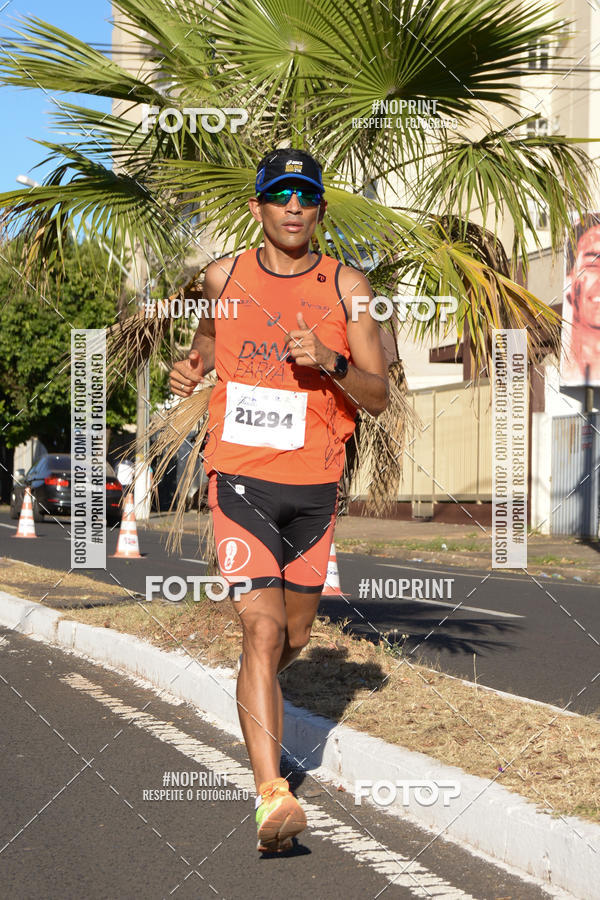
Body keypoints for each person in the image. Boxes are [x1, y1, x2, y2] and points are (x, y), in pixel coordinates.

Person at [169, 148, 389, 851]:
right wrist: (190, 368)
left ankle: (252, 685)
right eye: (280, 195)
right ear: (259, 207)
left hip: (316, 487)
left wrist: (330, 361)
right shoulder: (223, 276)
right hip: (239, 479)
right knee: (261, 633)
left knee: (292, 637)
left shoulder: (348, 285)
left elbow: (378, 395)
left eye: (306, 196)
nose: (293, 207)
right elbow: (207, 342)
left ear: (319, 209)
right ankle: (272, 797)